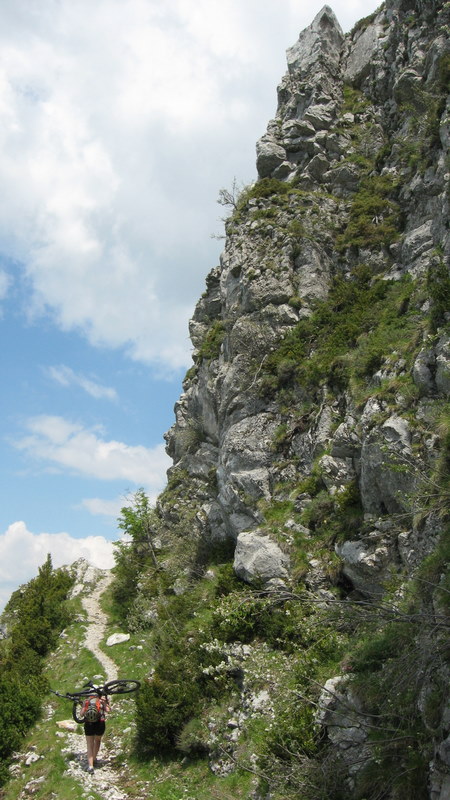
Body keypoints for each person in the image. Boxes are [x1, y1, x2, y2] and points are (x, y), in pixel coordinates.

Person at [80, 689, 111, 774]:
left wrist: (84, 707)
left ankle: (90, 766)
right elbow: (108, 710)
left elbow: (81, 714)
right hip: (100, 723)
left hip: (88, 724)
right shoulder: (101, 700)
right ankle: (94, 759)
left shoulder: (86, 701)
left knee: (89, 744)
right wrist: (105, 703)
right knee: (97, 741)